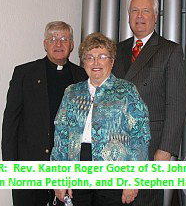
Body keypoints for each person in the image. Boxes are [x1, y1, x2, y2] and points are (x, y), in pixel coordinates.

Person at [51, 32, 151, 206]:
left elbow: (140, 137)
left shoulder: (127, 91)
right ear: (84, 63)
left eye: (102, 56)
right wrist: (58, 178)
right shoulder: (71, 92)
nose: (95, 62)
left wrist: (132, 179)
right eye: (89, 57)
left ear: (112, 62)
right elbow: (60, 137)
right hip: (77, 166)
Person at [112, 0, 186, 205]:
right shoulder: (117, 50)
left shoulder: (169, 51)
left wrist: (166, 149)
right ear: (128, 16)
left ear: (155, 16)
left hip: (150, 147)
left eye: (146, 11)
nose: (139, 16)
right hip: (116, 146)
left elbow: (176, 103)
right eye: (134, 11)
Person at [1, 21, 88, 206]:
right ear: (45, 44)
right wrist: (9, 168)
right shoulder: (24, 74)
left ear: (72, 45)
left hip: (68, 168)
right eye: (53, 39)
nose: (58, 44)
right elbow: (10, 123)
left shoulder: (82, 77)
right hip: (29, 167)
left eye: (64, 39)